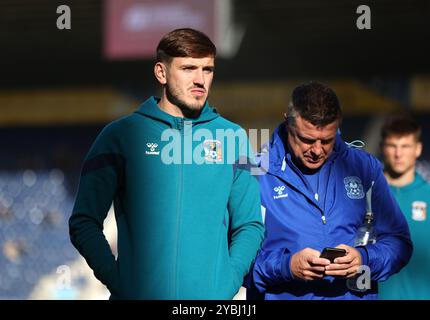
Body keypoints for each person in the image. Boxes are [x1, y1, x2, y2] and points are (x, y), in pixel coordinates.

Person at [69, 28, 264, 299]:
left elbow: (250, 225)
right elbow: (83, 221)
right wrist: (120, 283)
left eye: (207, 70)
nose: (200, 80)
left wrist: (226, 284)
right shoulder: (119, 136)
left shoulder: (234, 139)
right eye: (188, 68)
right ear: (161, 72)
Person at [247, 82, 412, 300]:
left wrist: (364, 258)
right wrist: (286, 267)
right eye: (306, 139)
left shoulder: (364, 167)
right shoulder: (254, 174)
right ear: (287, 121)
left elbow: (399, 242)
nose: (316, 150)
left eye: (326, 140)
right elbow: (230, 259)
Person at [378, 115, 430, 300]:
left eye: (405, 146)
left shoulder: (428, 194)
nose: (398, 154)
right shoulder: (367, 194)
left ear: (418, 149)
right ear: (383, 148)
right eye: (392, 146)